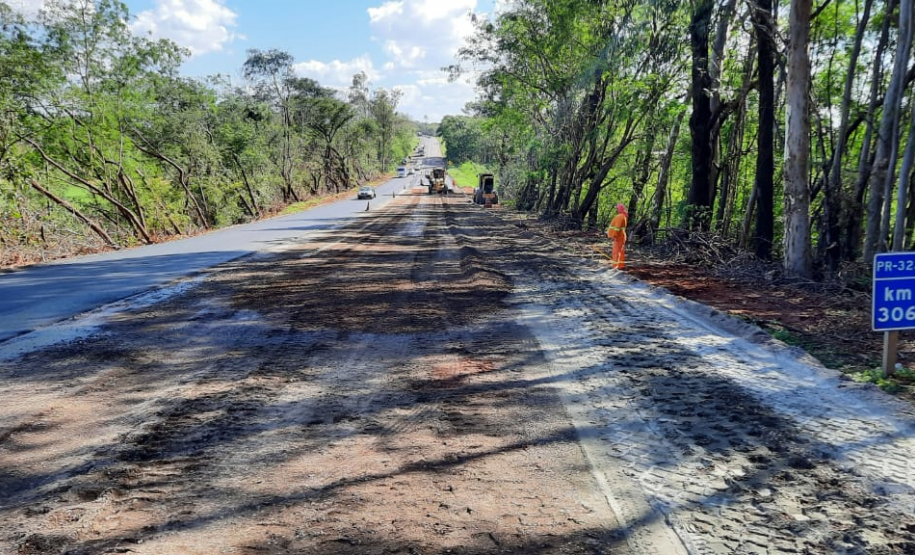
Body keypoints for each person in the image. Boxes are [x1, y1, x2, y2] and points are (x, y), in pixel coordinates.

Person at [606, 203, 628, 269]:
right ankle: (620, 266)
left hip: (618, 237)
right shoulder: (623, 216)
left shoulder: (620, 217)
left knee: (616, 252)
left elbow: (617, 228)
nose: (616, 209)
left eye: (617, 208)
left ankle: (615, 266)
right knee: (620, 252)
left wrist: (613, 235)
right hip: (621, 236)